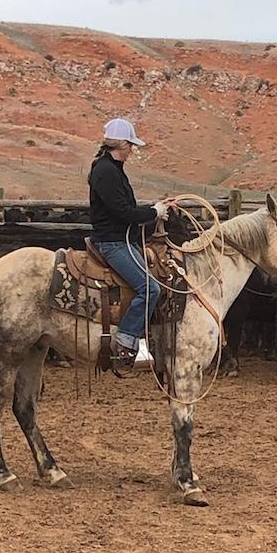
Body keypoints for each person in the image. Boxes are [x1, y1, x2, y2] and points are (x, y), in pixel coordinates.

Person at [88, 117, 173, 369]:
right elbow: (123, 212)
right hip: (113, 242)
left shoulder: (110, 169)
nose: (132, 150)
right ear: (121, 144)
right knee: (150, 288)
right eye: (130, 145)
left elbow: (124, 209)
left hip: (119, 239)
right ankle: (127, 341)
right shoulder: (106, 172)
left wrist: (154, 210)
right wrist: (153, 213)